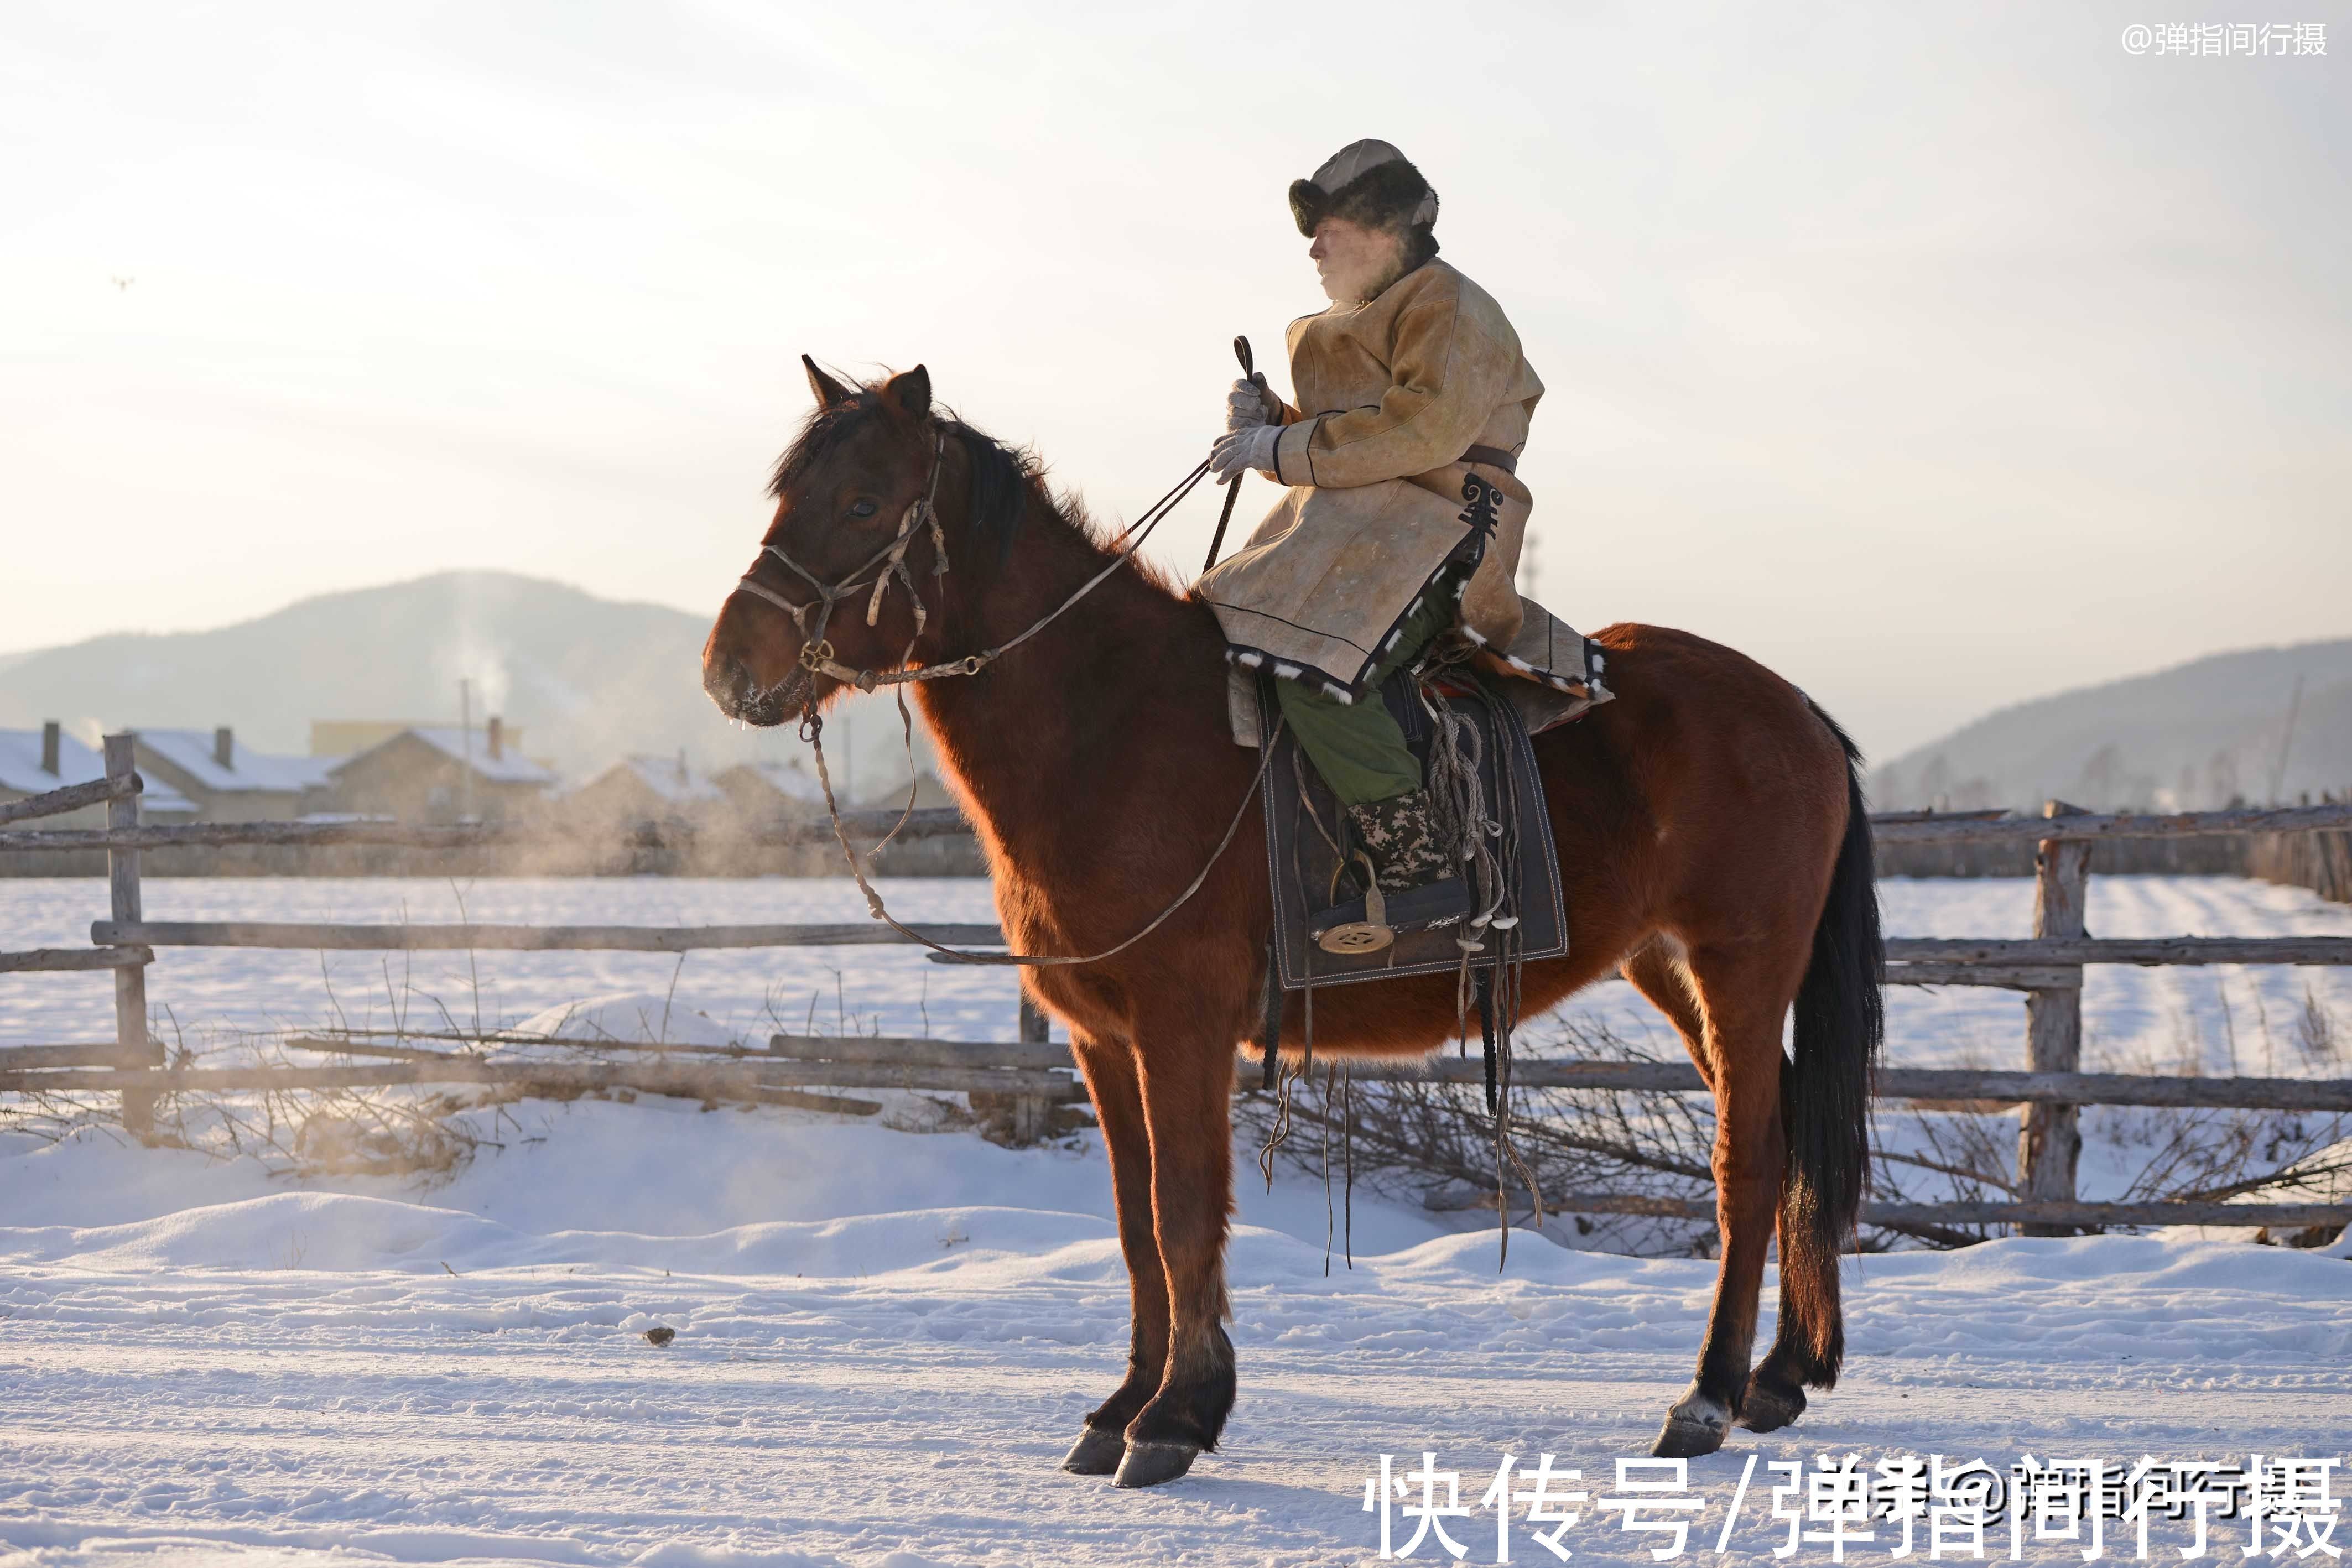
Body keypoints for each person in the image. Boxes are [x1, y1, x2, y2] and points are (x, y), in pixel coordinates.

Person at [1196, 139, 1548, 896]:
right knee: (1202, 634)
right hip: (1349, 532)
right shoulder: (1364, 315)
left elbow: (1420, 432)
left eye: (1332, 229)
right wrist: (1272, 423)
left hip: (1443, 530)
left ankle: (1420, 856)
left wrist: (1283, 444)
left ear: (1385, 230)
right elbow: (1349, 437)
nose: (1315, 248)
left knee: (1315, 670)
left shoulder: (1452, 308)